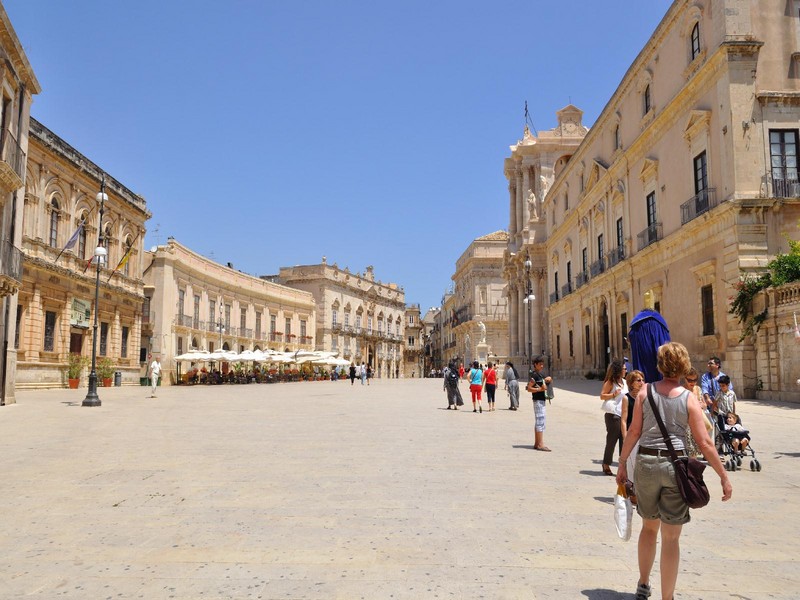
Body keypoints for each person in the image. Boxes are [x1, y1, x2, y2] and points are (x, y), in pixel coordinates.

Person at [617, 342, 732, 600]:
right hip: (675, 467)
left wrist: (623, 463)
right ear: (683, 366)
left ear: (660, 365)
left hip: (647, 464)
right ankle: (667, 597)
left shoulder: (645, 393)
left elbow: (634, 432)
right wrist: (723, 476)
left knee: (649, 529)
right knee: (671, 538)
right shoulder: (689, 398)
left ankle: (643, 583)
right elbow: (705, 443)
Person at [600, 359, 628, 476]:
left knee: (624, 441)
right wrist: (613, 394)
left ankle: (623, 466)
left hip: (623, 415)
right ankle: (606, 464)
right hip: (613, 415)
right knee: (612, 441)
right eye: (624, 369)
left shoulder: (625, 382)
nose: (626, 370)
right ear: (619, 370)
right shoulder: (610, 382)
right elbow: (602, 396)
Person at [683, 368, 712, 457]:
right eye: (690, 380)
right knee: (690, 448)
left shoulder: (698, 389)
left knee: (709, 427)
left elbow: (704, 405)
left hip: (698, 418)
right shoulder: (682, 390)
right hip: (687, 421)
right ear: (685, 379)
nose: (693, 382)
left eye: (695, 380)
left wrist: (702, 405)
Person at [529, 356, 552, 451]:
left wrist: (548, 379)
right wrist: (540, 389)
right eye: (540, 364)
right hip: (538, 401)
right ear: (535, 365)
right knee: (540, 422)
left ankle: (536, 443)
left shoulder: (540, 375)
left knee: (539, 421)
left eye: (543, 364)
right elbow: (529, 388)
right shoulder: (534, 376)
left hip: (541, 400)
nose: (542, 366)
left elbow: (544, 382)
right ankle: (540, 444)